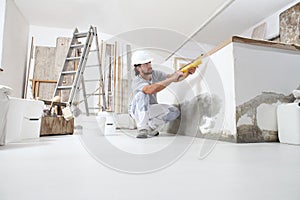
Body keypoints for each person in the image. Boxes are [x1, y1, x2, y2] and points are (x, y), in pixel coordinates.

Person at [129, 51, 197, 138]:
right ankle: (142, 128)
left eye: (149, 62)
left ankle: (150, 127)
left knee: (174, 111)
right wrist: (172, 79)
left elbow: (174, 78)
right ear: (138, 68)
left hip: (151, 108)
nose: (149, 65)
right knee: (142, 94)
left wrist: (187, 72)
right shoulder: (136, 80)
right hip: (137, 110)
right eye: (145, 64)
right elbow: (149, 90)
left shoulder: (155, 74)